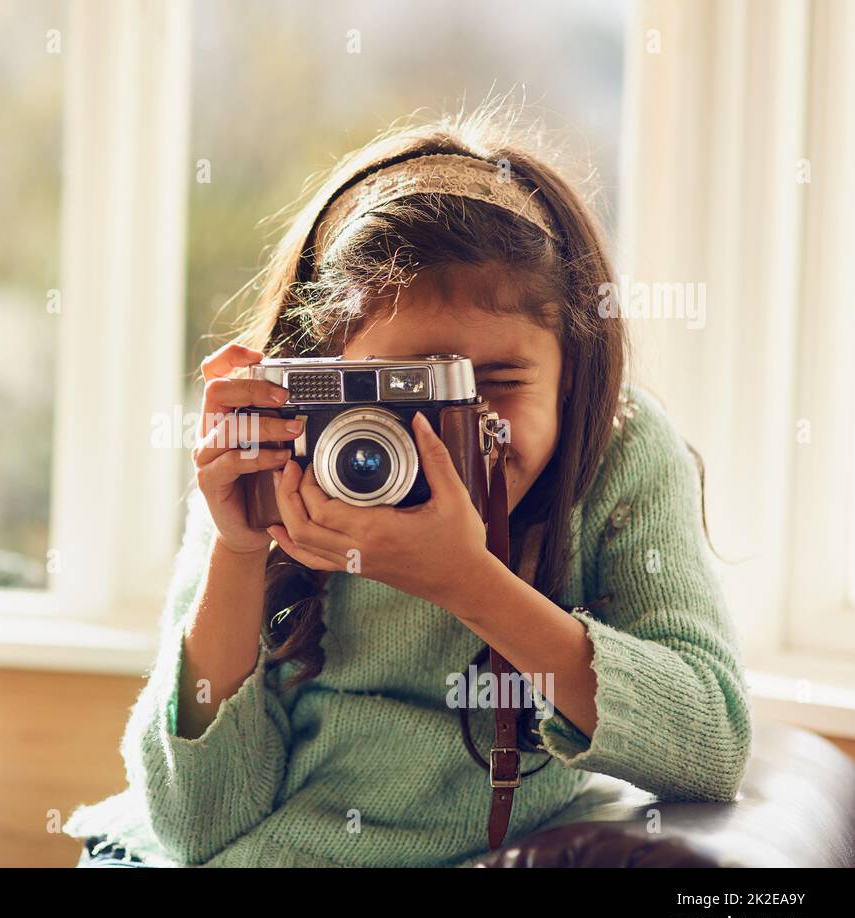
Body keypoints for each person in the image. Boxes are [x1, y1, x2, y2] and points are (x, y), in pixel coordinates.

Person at [64, 106, 752, 868]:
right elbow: (195, 823)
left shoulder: (616, 453)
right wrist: (236, 548)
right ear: (318, 376)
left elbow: (709, 743)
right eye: (404, 392)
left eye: (499, 380)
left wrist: (470, 583)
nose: (457, 430)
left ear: (576, 376)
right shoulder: (283, 450)